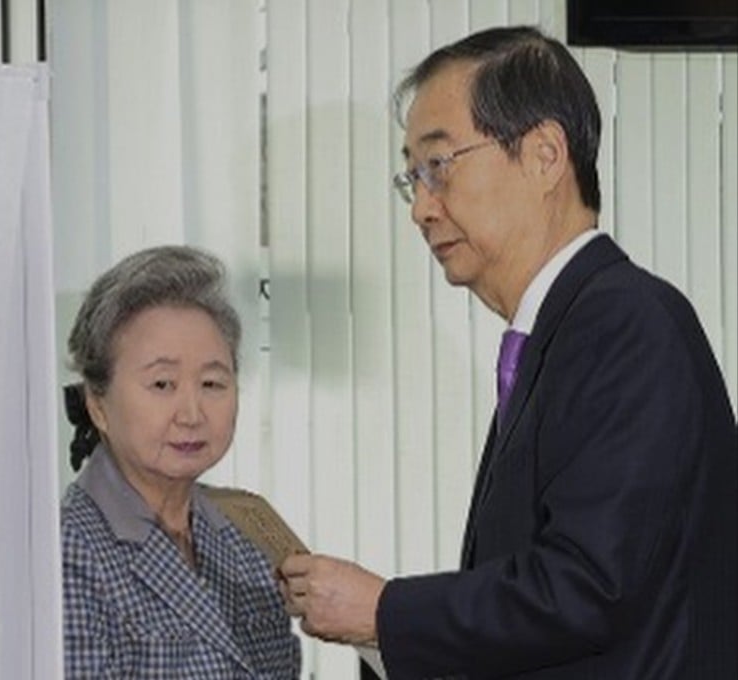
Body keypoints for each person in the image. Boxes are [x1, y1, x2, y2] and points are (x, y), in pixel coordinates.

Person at [279, 25, 737, 680]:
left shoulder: (623, 322)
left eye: (439, 165)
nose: (421, 209)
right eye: (412, 178)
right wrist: (384, 636)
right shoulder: (562, 329)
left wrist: (383, 612)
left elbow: (587, 588)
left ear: (545, 155)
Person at [61, 244, 301, 679]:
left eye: (212, 383)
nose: (191, 414)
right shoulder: (67, 552)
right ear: (97, 404)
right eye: (162, 384)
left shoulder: (247, 531)